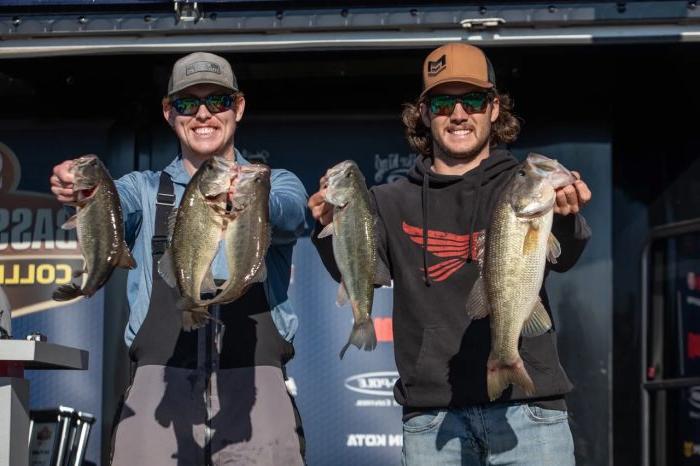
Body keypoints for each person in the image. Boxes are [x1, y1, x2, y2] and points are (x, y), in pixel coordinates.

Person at [309, 43, 592, 465]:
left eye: (473, 100)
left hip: (529, 409)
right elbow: (363, 274)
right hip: (432, 416)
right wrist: (331, 227)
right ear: (424, 114)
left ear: (494, 109)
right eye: (443, 102)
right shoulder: (388, 200)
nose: (459, 114)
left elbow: (563, 256)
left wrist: (566, 216)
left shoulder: (523, 184)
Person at [50, 52, 307, 465]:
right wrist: (80, 189)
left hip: (255, 382)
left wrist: (249, 196)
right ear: (169, 113)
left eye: (217, 101)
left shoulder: (272, 181)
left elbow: (291, 213)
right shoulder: (144, 187)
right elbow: (110, 201)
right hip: (160, 379)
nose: (203, 114)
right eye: (188, 104)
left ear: (238, 107)